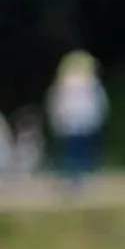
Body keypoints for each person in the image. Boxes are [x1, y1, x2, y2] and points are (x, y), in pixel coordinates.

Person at [47, 51, 108, 193]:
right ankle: (72, 178)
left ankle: (80, 178)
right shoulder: (65, 85)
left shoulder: (90, 84)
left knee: (81, 152)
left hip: (83, 123)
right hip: (71, 123)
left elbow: (97, 103)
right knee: (72, 152)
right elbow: (57, 103)